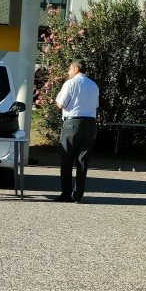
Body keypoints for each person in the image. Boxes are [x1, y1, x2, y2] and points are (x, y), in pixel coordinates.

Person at [55, 59, 99, 203]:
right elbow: (95, 105)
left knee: (67, 159)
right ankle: (78, 194)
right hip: (90, 124)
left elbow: (61, 104)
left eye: (69, 69)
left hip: (73, 123)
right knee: (82, 161)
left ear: (76, 69)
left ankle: (66, 193)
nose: (68, 72)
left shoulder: (71, 83)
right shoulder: (93, 85)